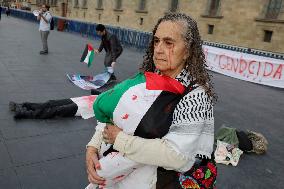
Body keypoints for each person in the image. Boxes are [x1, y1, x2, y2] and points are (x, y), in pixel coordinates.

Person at [86, 13, 217, 189]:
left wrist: (120, 139)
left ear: (187, 51)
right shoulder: (149, 78)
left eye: (168, 43)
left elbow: (177, 157)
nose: (159, 49)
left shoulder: (195, 94)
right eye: (156, 41)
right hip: (120, 173)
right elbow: (114, 113)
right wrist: (93, 147)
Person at [9, 90, 101, 119]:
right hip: (83, 99)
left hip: (85, 108)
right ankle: (24, 105)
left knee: (58, 110)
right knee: (51, 103)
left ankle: (26, 114)